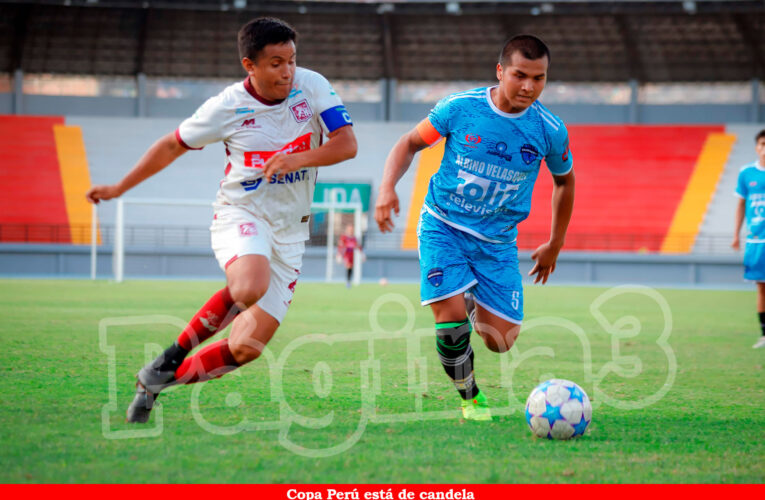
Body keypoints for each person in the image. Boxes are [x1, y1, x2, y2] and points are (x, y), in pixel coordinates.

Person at [86, 17, 357, 422]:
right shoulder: (226, 107)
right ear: (250, 65)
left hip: (290, 232)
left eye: (292, 61)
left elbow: (347, 144)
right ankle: (170, 357)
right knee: (249, 285)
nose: (287, 72)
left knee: (245, 349)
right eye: (276, 63)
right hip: (242, 213)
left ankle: (158, 381)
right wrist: (120, 188)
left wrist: (296, 159)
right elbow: (170, 145)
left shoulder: (312, 85)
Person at [374, 35, 575, 421]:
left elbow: (565, 181)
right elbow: (409, 143)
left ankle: (466, 298)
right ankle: (470, 397)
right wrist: (386, 188)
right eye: (520, 75)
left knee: (500, 340)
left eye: (539, 77)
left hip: (498, 242)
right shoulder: (460, 108)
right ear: (500, 71)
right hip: (443, 225)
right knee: (450, 319)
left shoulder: (549, 130)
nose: (529, 86)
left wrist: (555, 243)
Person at [733, 129, 765, 349]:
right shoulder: (746, 174)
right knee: (761, 288)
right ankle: (764, 333)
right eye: (762, 144)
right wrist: (736, 234)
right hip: (756, 241)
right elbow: (741, 205)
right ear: (757, 147)